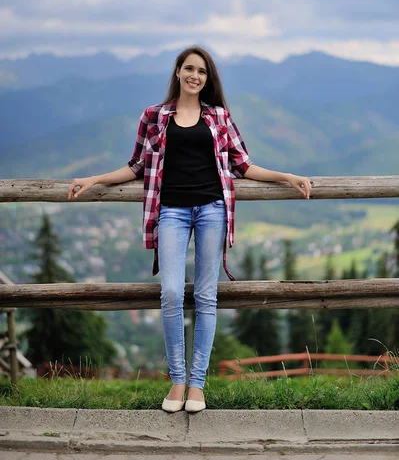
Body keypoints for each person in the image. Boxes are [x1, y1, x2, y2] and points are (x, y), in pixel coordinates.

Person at [67, 46, 312, 413]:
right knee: (169, 293)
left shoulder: (218, 116)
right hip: (172, 212)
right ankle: (177, 381)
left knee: (206, 296)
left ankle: (197, 385)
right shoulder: (155, 117)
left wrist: (286, 176)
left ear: (207, 79)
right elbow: (135, 165)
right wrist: (94, 179)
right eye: (189, 69)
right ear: (178, 72)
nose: (195, 76)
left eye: (202, 72)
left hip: (213, 209)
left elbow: (243, 165)